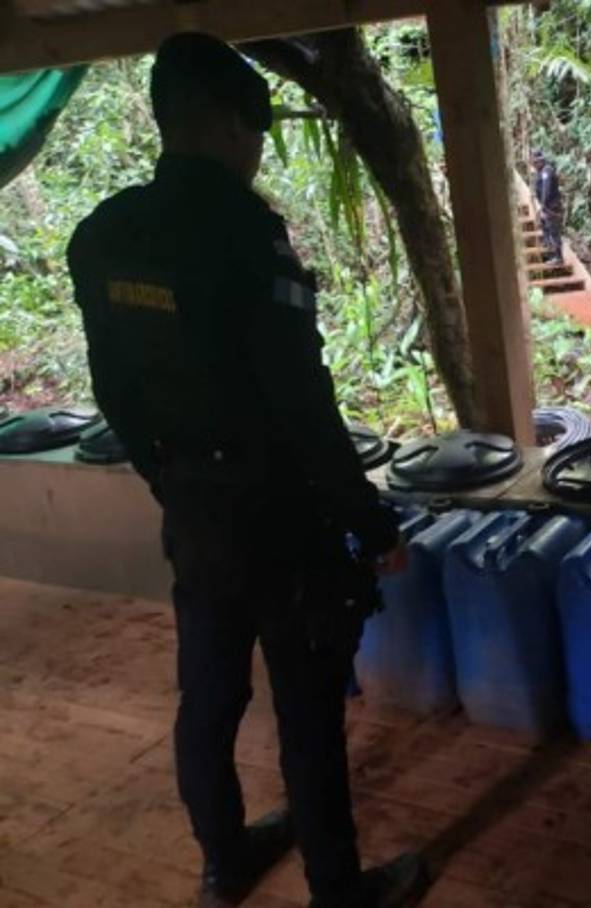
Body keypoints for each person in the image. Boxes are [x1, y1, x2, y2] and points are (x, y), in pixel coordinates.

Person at [67, 33, 426, 908]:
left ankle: (224, 862)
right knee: (307, 708)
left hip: (194, 507)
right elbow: (304, 404)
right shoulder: (247, 238)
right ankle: (341, 893)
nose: (256, 152)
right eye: (255, 134)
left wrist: (173, 475)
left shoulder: (104, 236)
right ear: (230, 126)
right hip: (279, 515)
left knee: (210, 694)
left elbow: (112, 388)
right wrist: (372, 524)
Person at [531, 149, 565, 264]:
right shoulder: (540, 172)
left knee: (554, 231)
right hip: (547, 207)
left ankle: (558, 257)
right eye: (534, 162)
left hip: (552, 207)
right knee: (545, 227)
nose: (534, 165)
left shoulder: (547, 171)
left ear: (541, 161)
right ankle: (550, 251)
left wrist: (544, 206)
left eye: (536, 162)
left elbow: (547, 188)